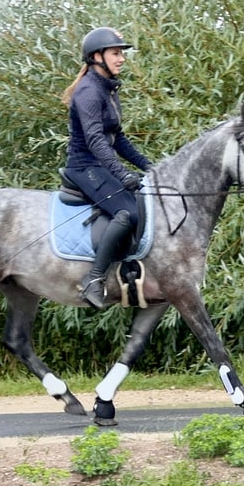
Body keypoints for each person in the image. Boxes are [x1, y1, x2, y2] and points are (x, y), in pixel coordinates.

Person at [61, 26, 152, 310]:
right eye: (116, 53)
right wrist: (122, 173)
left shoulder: (107, 88)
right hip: (84, 166)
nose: (122, 58)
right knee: (127, 213)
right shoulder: (88, 91)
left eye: (122, 53)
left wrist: (148, 166)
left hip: (100, 165)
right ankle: (94, 280)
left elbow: (117, 138)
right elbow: (96, 140)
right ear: (97, 56)